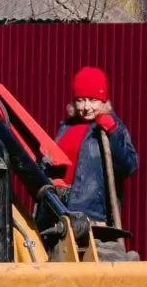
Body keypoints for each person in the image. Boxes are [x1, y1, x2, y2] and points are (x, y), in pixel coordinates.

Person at [56, 64, 138, 234]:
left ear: (103, 101)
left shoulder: (111, 128)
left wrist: (113, 132)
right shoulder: (66, 127)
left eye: (92, 100)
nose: (86, 107)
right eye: (81, 100)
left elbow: (129, 165)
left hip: (92, 216)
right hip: (58, 211)